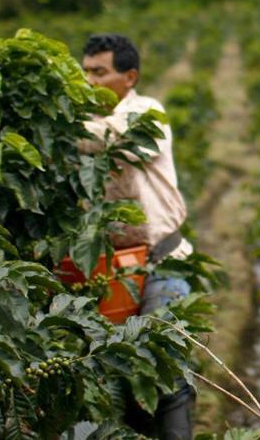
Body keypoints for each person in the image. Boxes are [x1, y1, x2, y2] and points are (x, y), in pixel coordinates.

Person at [77, 32, 194, 439]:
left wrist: (53, 124)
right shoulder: (83, 122)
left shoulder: (147, 114)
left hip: (160, 261)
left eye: (100, 73)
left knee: (165, 373)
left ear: (129, 77)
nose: (90, 81)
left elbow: (111, 140)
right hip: (108, 272)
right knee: (115, 381)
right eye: (86, 72)